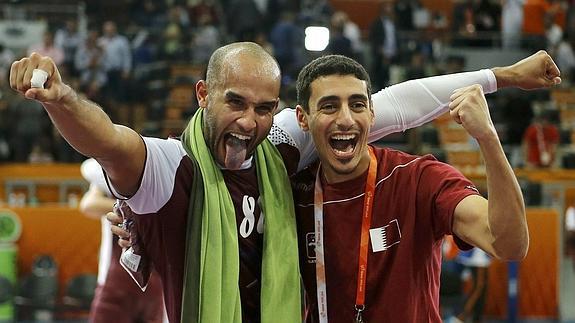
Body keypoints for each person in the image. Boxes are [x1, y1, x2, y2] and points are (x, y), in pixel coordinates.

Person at [10, 43, 560, 323]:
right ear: (203, 95)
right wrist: (62, 100)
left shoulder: (282, 149)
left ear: (285, 113)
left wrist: (503, 77)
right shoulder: (169, 168)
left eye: (265, 107)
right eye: (236, 103)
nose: (250, 121)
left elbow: (397, 104)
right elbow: (107, 139)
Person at [291, 55, 530, 322]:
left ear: (371, 113)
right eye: (329, 106)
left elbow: (509, 245)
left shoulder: (418, 179)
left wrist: (488, 138)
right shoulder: (294, 193)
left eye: (357, 105)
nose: (346, 119)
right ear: (303, 118)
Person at [79, 158, 165, 323]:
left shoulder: (108, 174)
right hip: (152, 279)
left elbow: (88, 204)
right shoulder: (160, 176)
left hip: (120, 277)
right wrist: (139, 209)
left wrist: (125, 208)